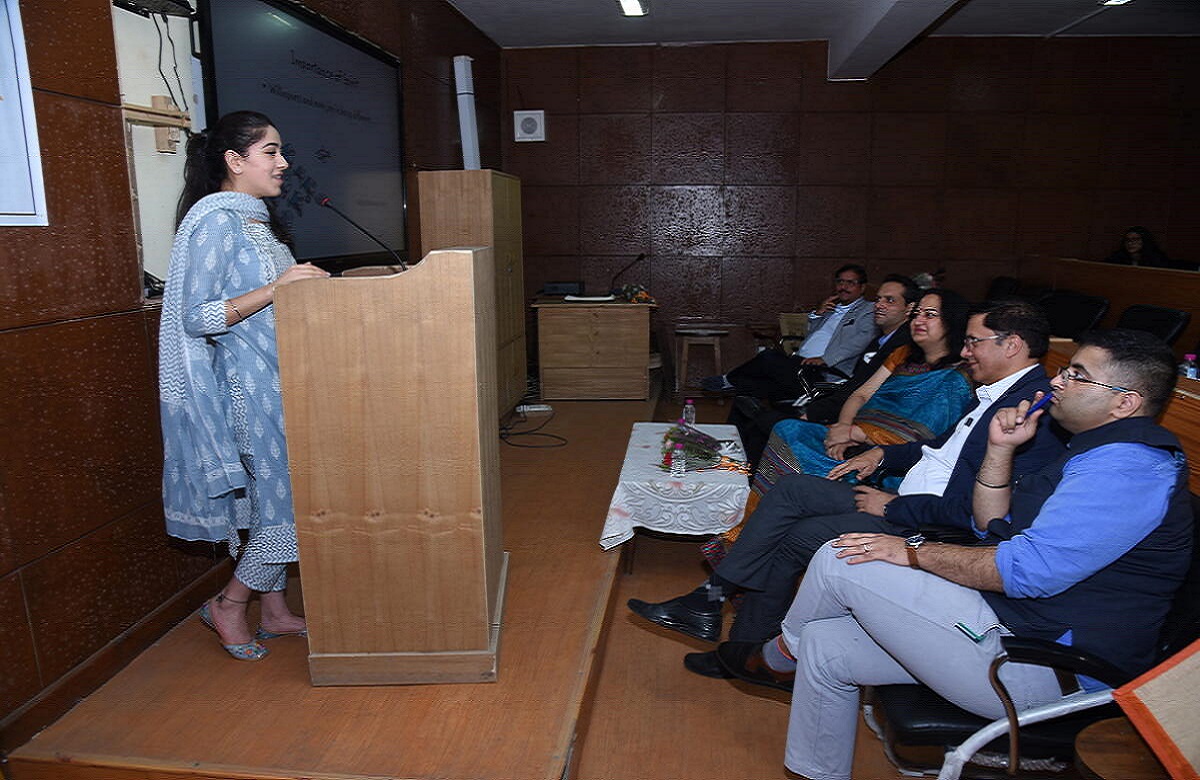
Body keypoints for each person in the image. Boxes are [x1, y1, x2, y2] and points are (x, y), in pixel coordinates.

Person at [715, 329, 1191, 780]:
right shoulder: (1094, 451)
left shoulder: (1128, 469)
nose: (1058, 382)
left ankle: (780, 657)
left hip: (1049, 670)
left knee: (841, 556)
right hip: (1012, 627)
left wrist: (914, 551)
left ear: (1125, 403)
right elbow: (989, 525)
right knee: (825, 645)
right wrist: (1000, 449)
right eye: (1066, 370)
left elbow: (1024, 572)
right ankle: (811, 746)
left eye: (1078, 375)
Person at [628, 301, 1066, 679]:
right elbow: (939, 449)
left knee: (796, 537)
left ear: (1012, 345)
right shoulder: (997, 391)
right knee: (793, 490)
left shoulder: (1031, 412)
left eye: (973, 342)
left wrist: (895, 507)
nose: (965, 351)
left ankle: (740, 645)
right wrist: (881, 455)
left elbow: (986, 514)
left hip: (926, 524)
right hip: (904, 500)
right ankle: (709, 603)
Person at [158, 111, 329, 661]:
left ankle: (273, 611)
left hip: (279, 384)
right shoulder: (216, 221)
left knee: (269, 504)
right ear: (234, 160)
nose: (284, 163)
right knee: (287, 507)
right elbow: (196, 316)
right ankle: (229, 605)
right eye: (271, 152)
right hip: (247, 391)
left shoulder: (253, 221)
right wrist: (278, 288)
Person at [764, 289, 973, 486]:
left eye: (930, 315)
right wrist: (844, 427)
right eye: (916, 313)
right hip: (857, 434)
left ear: (952, 321)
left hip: (897, 456)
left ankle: (807, 498)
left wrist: (857, 435)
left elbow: (924, 431)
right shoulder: (903, 354)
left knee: (817, 469)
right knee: (787, 429)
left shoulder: (958, 377)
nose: (918, 320)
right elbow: (862, 394)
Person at [729, 274, 920, 470]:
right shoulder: (881, 339)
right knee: (747, 395)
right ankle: (730, 465)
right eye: (878, 299)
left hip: (848, 406)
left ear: (909, 308)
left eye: (890, 300)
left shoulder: (902, 346)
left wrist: (814, 413)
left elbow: (861, 391)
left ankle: (742, 475)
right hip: (832, 393)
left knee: (763, 421)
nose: (879, 305)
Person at [702, 265, 877, 396]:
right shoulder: (831, 307)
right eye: (840, 282)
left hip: (825, 372)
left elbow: (861, 340)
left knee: (768, 356)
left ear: (862, 287)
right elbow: (807, 333)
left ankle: (727, 380)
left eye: (850, 283)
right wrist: (817, 314)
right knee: (748, 389)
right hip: (799, 363)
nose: (843, 287)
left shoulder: (868, 310)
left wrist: (825, 360)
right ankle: (736, 426)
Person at [1104, 226, 1173, 268]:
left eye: (1135, 239)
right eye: (1127, 240)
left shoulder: (1157, 259)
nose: (1130, 243)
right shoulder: (1118, 256)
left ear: (1145, 241)